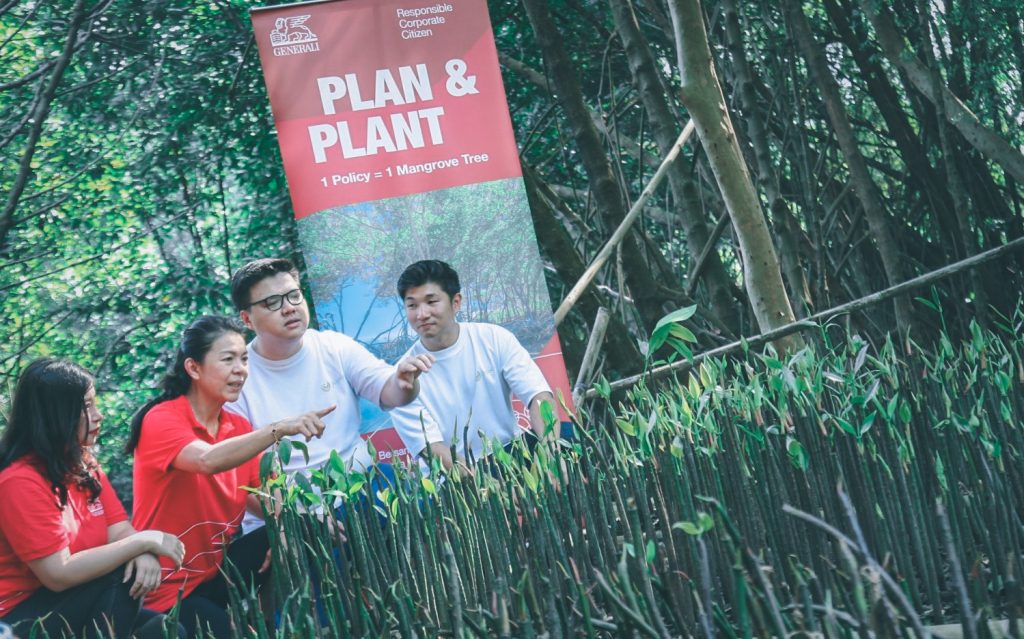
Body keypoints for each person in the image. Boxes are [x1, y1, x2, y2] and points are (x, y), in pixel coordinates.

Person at [127, 315, 330, 638]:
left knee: (306, 526)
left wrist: (284, 530)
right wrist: (278, 429)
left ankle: (278, 620)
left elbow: (268, 499)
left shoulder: (238, 428)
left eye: (244, 359)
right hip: (167, 591)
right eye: (228, 359)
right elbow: (207, 460)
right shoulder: (162, 419)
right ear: (194, 368)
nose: (240, 370)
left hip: (217, 577)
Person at [225, 258, 435, 531]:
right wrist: (296, 521)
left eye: (294, 295)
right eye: (272, 302)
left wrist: (406, 382)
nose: (289, 308)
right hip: (292, 511)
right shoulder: (236, 379)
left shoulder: (332, 346)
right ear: (247, 319)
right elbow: (236, 478)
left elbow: (391, 392)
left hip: (360, 485)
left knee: (421, 511)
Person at [0, 358, 185, 639]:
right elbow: (58, 574)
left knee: (166, 630)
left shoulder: (82, 463)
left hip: (73, 601)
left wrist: (142, 549)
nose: (98, 415)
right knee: (118, 576)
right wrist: (143, 542)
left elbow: (118, 530)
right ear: (56, 413)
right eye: (87, 406)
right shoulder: (19, 481)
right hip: (19, 618)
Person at [389, 260, 555, 470]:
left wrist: (552, 456)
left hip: (509, 451)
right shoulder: (402, 378)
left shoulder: (494, 338)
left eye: (431, 302)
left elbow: (538, 396)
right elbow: (432, 449)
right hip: (456, 474)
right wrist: (490, 486)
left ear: (456, 302)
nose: (421, 314)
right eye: (412, 305)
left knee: (566, 436)